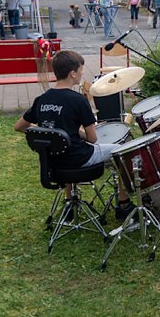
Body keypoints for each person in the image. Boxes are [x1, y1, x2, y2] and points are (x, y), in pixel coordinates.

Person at [13, 50, 135, 221]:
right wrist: (79, 132)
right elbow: (93, 139)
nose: (82, 73)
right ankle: (124, 205)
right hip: (79, 159)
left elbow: (19, 127)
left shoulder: (42, 99)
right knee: (123, 150)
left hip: (53, 163)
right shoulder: (78, 100)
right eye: (80, 70)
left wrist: (48, 132)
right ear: (72, 73)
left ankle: (69, 201)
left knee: (63, 147)